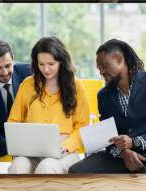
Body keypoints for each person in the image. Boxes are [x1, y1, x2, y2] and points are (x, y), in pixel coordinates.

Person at [69, 39, 146, 173]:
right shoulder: (103, 96)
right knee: (77, 170)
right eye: (99, 68)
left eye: (104, 65)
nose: (101, 71)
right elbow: (107, 137)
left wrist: (135, 141)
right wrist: (124, 153)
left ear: (120, 59)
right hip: (121, 155)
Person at [7, 36, 90, 174]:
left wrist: (67, 145)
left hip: (63, 151)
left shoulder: (76, 86)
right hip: (31, 149)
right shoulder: (27, 84)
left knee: (47, 167)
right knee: (18, 167)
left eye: (51, 64)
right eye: (41, 64)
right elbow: (14, 121)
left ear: (61, 62)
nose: (46, 69)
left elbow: (83, 126)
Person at [0, 40, 30, 156]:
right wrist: (13, 145)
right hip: (3, 143)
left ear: (13, 59)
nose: (4, 72)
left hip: (31, 136)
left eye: (8, 66)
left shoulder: (28, 73)